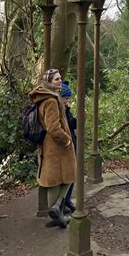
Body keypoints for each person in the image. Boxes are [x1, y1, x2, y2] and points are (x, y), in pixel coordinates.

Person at [29, 68, 76, 228]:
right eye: (56, 79)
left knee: (63, 178)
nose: (60, 81)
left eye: (60, 78)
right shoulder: (50, 101)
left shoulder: (45, 99)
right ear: (49, 82)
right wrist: (67, 141)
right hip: (56, 148)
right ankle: (57, 211)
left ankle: (59, 214)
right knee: (60, 179)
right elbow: (53, 127)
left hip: (51, 147)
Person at [59, 81, 77, 214]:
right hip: (65, 146)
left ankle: (68, 199)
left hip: (71, 143)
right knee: (65, 176)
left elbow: (71, 125)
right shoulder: (57, 110)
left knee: (72, 174)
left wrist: (78, 119)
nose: (67, 101)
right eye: (65, 98)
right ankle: (62, 202)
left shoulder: (66, 109)